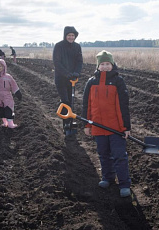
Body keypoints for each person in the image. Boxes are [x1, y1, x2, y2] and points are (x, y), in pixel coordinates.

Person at [82, 50, 131, 198]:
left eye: (107, 64)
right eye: (102, 64)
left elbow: (123, 106)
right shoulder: (91, 82)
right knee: (103, 154)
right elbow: (87, 105)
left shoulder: (118, 81)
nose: (104, 66)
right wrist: (87, 125)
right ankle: (107, 178)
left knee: (119, 155)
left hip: (116, 128)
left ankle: (124, 183)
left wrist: (126, 127)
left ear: (112, 64)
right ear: (97, 66)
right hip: (98, 126)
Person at [53, 26, 83, 135]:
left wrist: (76, 73)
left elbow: (79, 61)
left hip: (72, 79)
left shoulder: (77, 47)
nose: (71, 37)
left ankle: (70, 122)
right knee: (65, 101)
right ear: (65, 36)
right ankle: (66, 124)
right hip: (61, 78)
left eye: (73, 35)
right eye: (69, 35)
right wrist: (67, 73)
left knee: (71, 101)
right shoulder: (59, 46)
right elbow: (57, 62)